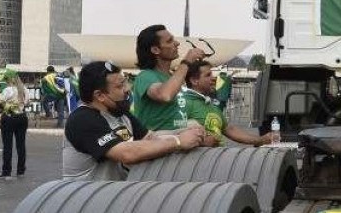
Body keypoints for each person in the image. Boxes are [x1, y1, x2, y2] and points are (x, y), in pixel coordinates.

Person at [63, 60, 207, 181]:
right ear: (100, 95)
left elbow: (151, 139)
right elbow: (127, 153)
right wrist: (178, 141)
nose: (128, 89)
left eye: (125, 83)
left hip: (113, 197)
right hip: (85, 203)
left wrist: (189, 133)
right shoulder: (82, 120)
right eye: (120, 86)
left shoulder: (121, 114)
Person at [132, 24, 207, 131]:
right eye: (169, 41)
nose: (177, 43)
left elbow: (172, 121)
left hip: (178, 140)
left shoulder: (173, 77)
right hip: (156, 143)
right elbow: (165, 95)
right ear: (155, 50)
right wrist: (186, 61)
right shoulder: (145, 76)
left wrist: (197, 126)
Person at [177, 61, 271, 146]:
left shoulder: (210, 104)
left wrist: (260, 140)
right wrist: (201, 140)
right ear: (194, 80)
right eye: (208, 75)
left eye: (212, 74)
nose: (213, 78)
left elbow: (229, 129)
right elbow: (174, 127)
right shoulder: (184, 102)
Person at [0, 74, 29, 179]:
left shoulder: (8, 90)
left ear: (10, 81)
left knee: (8, 145)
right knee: (21, 145)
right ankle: (21, 171)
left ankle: (7, 171)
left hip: (9, 118)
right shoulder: (24, 89)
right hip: (22, 118)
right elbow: (27, 103)